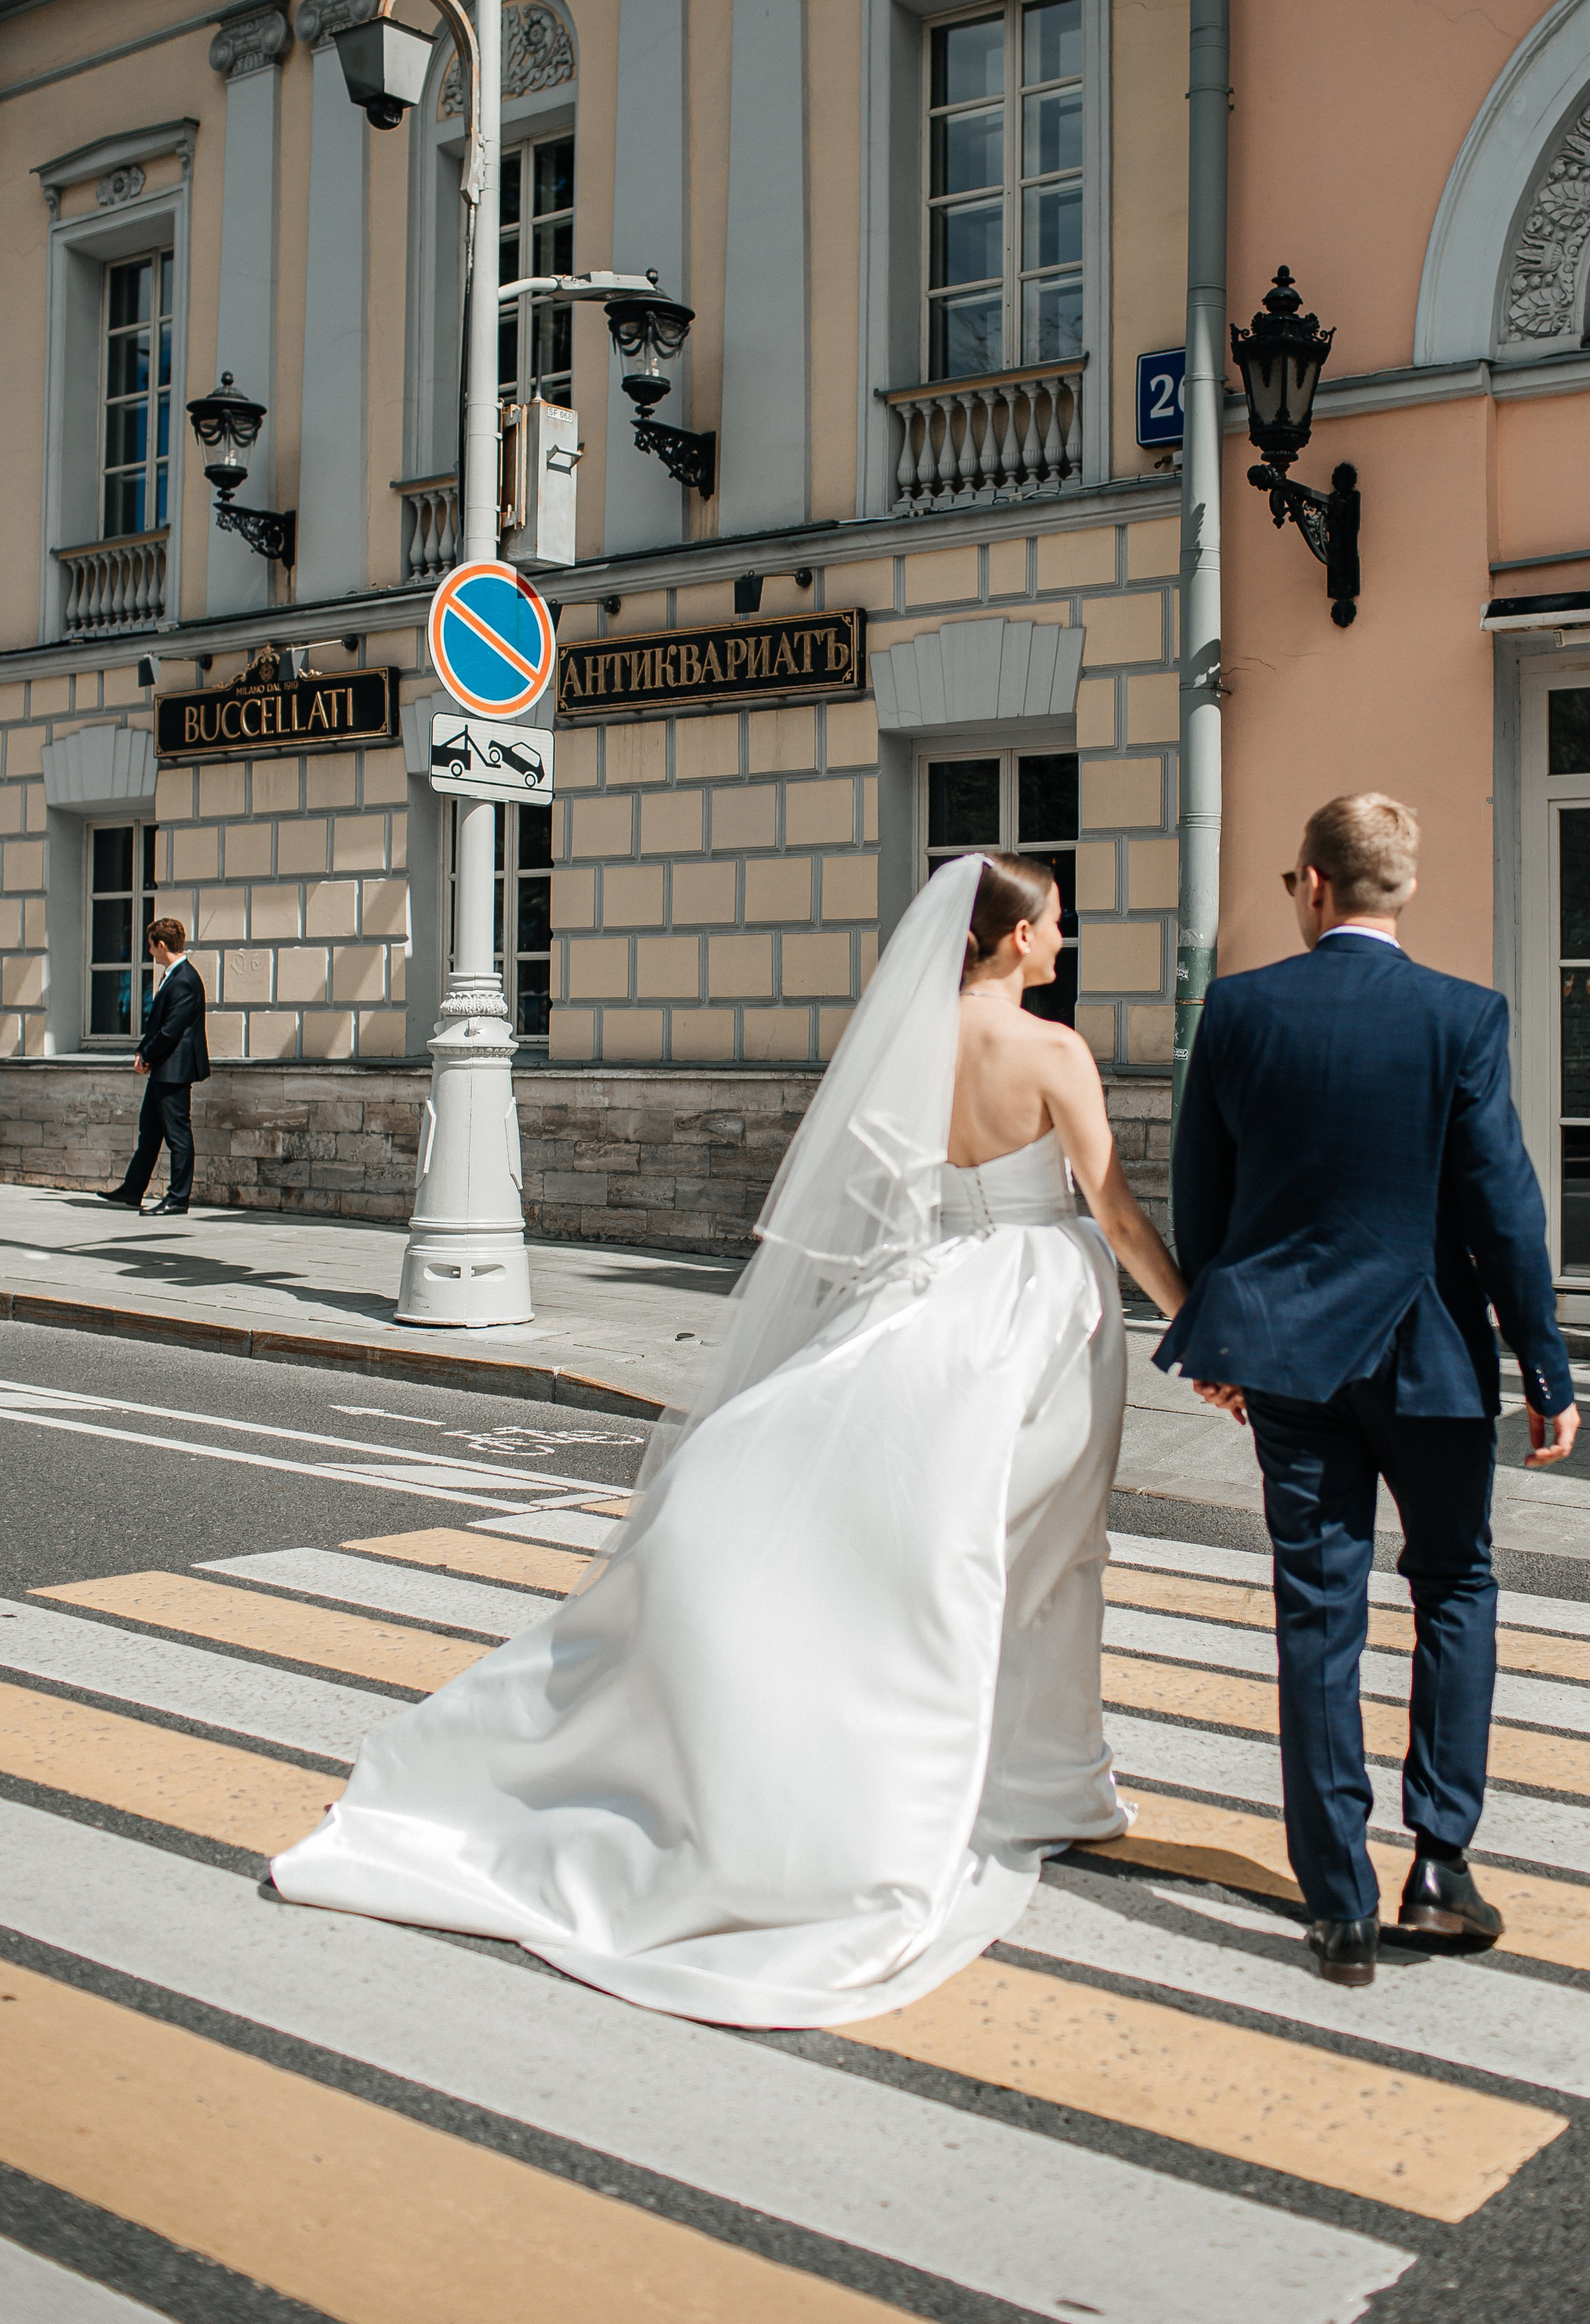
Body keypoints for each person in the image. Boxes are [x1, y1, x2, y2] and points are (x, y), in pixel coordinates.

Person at [272, 852, 1185, 2026]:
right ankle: (1038, 1784)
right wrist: (1192, 1317)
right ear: (1012, 938)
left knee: (930, 1556)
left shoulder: (911, 1041)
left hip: (931, 1300)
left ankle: (987, 1772)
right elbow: (1115, 1212)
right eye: (1055, 922)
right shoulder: (1051, 1049)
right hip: (1036, 1314)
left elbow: (878, 1197)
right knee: (1042, 1555)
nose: (1063, 939)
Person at [1156, 793, 1579, 1990]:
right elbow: (1504, 1208)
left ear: (1314, 884)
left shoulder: (1239, 1011)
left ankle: (1338, 1905)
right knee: (1454, 1584)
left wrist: (1221, 1339)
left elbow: (1202, 1195)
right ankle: (1440, 1865)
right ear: (1403, 888)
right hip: (1431, 1359)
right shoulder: (1462, 1016)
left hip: (1291, 1362)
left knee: (1317, 1612)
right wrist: (1544, 1366)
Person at [97, 916, 211, 1219]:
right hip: (165, 1068)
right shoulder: (173, 976)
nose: (149, 952)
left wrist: (146, 1054)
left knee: (178, 1136)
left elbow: (172, 1029)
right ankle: (133, 1189)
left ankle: (178, 1199)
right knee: (149, 1130)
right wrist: (144, 1050)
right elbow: (161, 1024)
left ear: (162, 945)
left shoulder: (185, 979)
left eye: (151, 946)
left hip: (175, 1069)